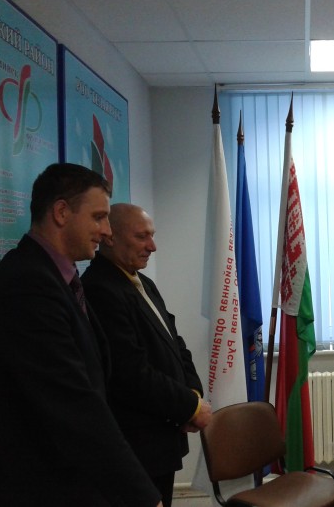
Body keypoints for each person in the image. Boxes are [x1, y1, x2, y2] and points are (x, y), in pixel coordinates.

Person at [0, 163, 162, 507]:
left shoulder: (61, 278)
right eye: (98, 217)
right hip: (43, 484)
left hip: (75, 478)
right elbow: (73, 402)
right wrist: (144, 496)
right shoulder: (27, 283)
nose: (106, 231)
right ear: (61, 212)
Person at [81, 204, 211, 507]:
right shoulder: (99, 289)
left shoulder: (142, 282)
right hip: (137, 443)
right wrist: (189, 407)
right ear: (110, 237)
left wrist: (193, 394)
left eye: (151, 236)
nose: (152, 246)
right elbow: (130, 372)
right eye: (142, 237)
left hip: (163, 435)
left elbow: (175, 344)